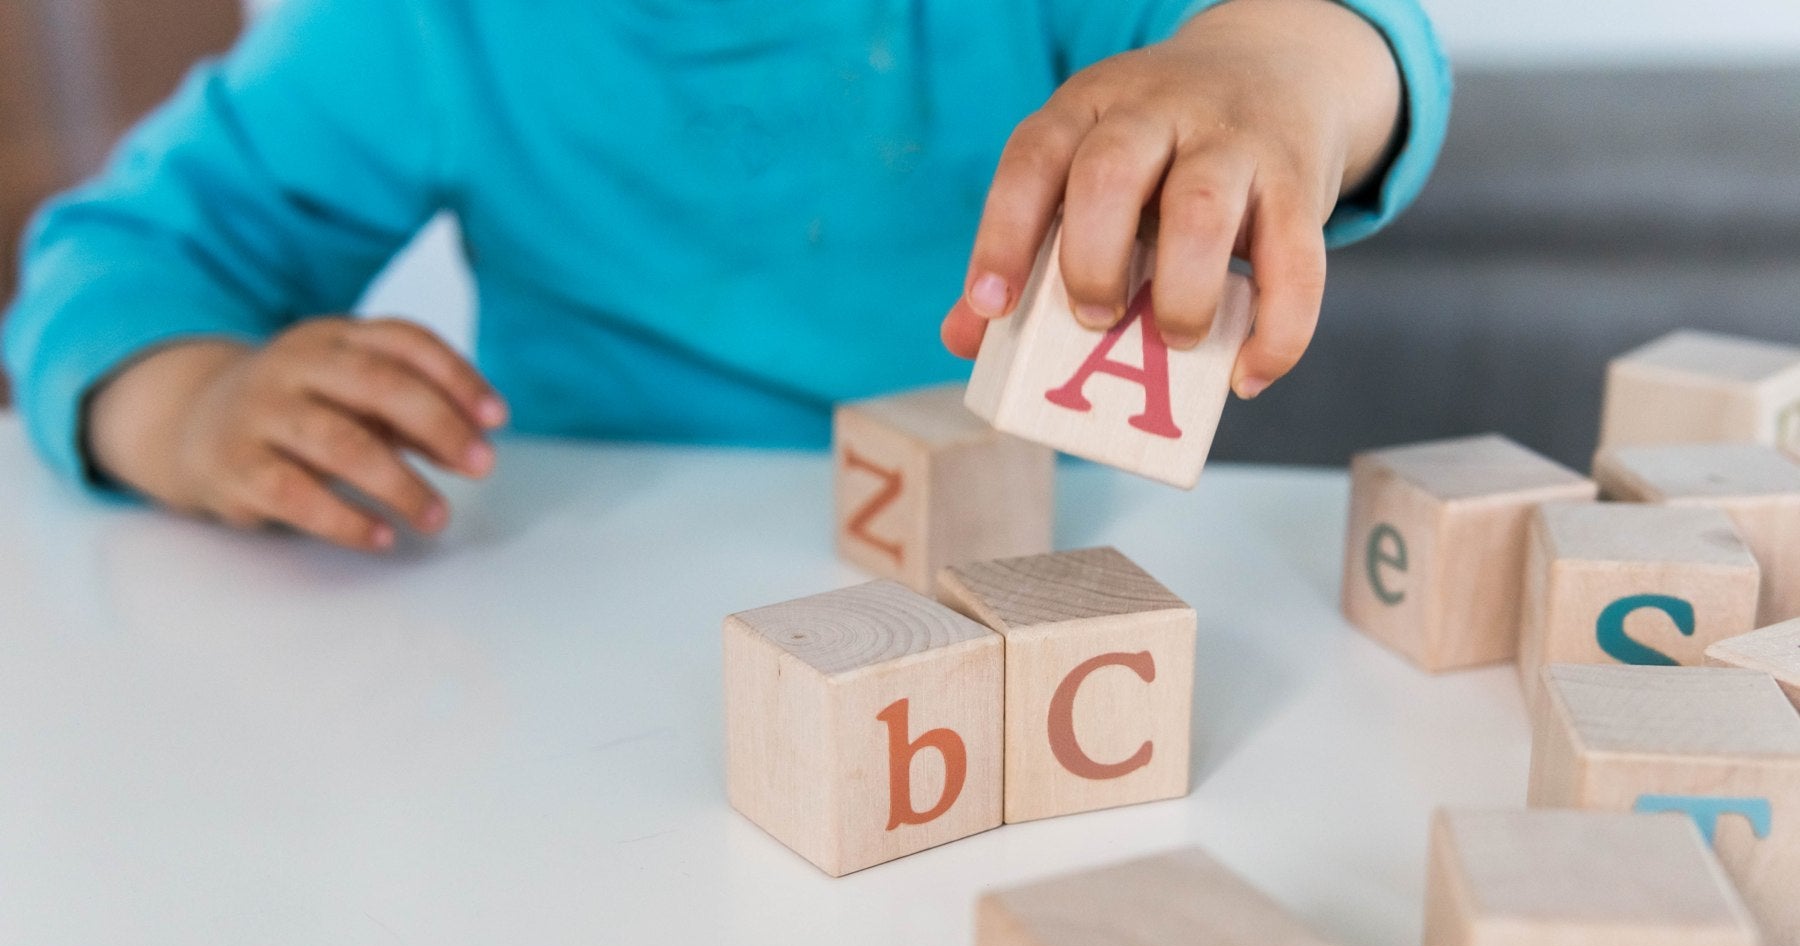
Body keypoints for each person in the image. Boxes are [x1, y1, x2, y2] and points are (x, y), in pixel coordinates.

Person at [3, 0, 1449, 553]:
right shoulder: (421, 25)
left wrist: (1271, 76)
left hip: (1041, 567)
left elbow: (1342, 41)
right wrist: (189, 408)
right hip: (571, 603)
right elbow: (118, 258)